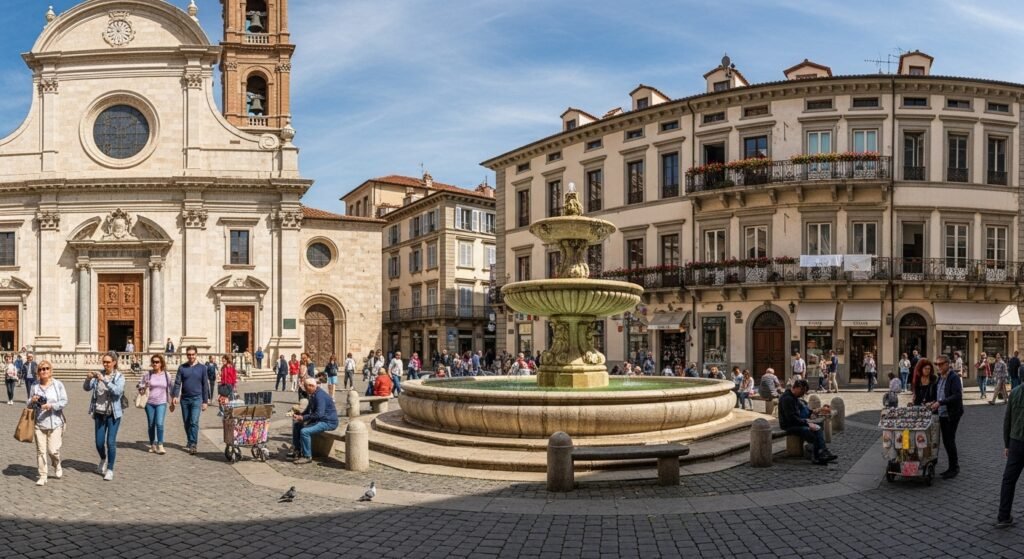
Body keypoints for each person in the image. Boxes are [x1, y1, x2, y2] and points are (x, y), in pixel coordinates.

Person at [83, 351, 125, 481]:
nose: (105, 364)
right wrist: (88, 378)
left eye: (108, 362)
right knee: (99, 443)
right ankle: (103, 458)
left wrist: (105, 380)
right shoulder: (98, 375)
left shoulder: (119, 377)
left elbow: (117, 392)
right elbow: (86, 388)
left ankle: (110, 469)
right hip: (99, 413)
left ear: (114, 362)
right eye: (104, 362)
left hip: (113, 414)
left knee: (110, 442)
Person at [778, 379, 837, 465]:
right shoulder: (787, 398)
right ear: (797, 388)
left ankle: (822, 452)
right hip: (788, 425)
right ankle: (818, 455)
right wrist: (807, 423)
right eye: (802, 392)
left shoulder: (794, 397)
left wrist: (814, 412)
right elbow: (791, 418)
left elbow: (803, 411)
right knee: (810, 430)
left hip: (796, 423)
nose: (803, 394)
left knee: (817, 428)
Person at [30, 360, 66, 486]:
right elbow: (28, 403)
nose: (43, 371)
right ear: (38, 372)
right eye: (40, 369)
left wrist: (51, 406)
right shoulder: (34, 386)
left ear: (50, 371)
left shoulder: (58, 385)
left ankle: (56, 464)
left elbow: (64, 401)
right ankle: (43, 475)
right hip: (39, 423)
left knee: (53, 450)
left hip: (55, 422)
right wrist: (32, 400)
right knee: (41, 451)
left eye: (46, 368)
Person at [287, 377, 339, 464]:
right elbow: (308, 410)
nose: (305, 389)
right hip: (321, 419)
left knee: (304, 431)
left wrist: (303, 418)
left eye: (306, 387)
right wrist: (300, 416)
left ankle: (307, 456)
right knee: (297, 425)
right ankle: (297, 451)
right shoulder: (313, 394)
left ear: (311, 386)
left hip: (328, 422)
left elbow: (319, 414)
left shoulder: (319, 396)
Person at [171, 346, 210, 455]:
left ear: (196, 354)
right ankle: (189, 440)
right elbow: (178, 383)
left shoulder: (202, 368)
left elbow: (205, 385)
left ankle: (193, 444)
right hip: (185, 399)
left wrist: (205, 401)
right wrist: (175, 395)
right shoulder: (182, 367)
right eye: (189, 354)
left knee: (194, 421)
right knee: (186, 422)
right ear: (186, 355)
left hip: (197, 398)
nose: (191, 356)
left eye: (193, 354)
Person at [997, 376, 1024, 528]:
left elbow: (1007, 420)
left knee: (1008, 480)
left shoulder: (1014, 392)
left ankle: (1003, 515)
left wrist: (1007, 444)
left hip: (1016, 442)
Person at [932, 354, 964, 479]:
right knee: (946, 441)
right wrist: (934, 401)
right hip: (942, 413)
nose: (938, 367)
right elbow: (939, 394)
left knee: (949, 441)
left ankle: (954, 468)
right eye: (936, 364)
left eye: (940, 364)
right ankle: (951, 467)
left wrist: (941, 402)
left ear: (947, 364)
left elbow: (957, 396)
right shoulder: (940, 378)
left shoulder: (953, 377)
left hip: (952, 414)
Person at [137, 354, 172, 455]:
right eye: (153, 362)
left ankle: (160, 444)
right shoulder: (147, 374)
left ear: (161, 363)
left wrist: (173, 400)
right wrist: (144, 385)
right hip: (149, 403)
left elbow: (171, 387)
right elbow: (139, 385)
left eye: (157, 362)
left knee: (159, 423)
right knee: (151, 424)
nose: (155, 363)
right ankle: (152, 444)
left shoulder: (167, 375)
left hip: (161, 402)